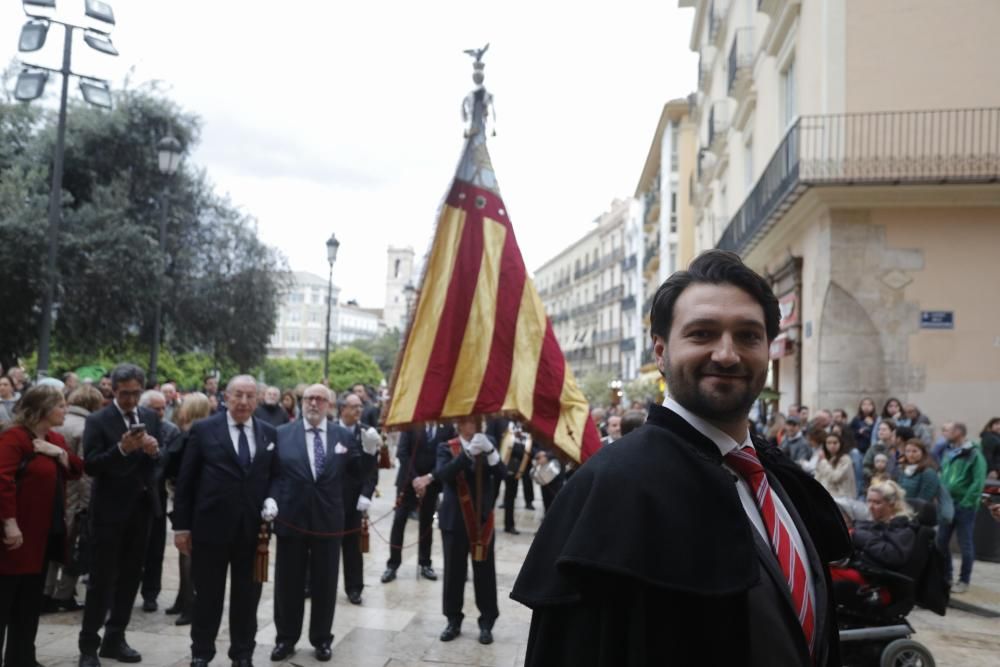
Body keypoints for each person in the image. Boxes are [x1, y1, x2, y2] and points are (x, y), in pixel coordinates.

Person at [511, 250, 850, 666]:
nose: (727, 354)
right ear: (660, 351)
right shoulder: (612, 487)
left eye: (748, 336)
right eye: (702, 334)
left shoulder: (774, 475)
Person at [173, 375, 281, 667]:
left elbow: (275, 476)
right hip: (210, 529)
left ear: (257, 399)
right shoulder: (204, 430)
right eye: (238, 395)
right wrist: (181, 527)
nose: (244, 402)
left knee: (247, 597)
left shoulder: (269, 433)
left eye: (250, 396)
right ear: (226, 397)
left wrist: (273, 498)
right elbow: (186, 481)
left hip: (253, 531)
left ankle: (243, 653)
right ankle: (201, 652)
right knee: (208, 595)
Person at [271, 384, 378, 662]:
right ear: (301, 402)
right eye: (309, 398)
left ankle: (321, 639)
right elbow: (272, 473)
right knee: (288, 584)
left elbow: (357, 473)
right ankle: (286, 638)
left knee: (325, 583)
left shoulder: (343, 435)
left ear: (330, 405)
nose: (314, 404)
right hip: (291, 520)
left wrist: (368, 453)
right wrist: (270, 499)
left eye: (320, 399)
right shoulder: (283, 434)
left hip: (329, 521)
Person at [78, 363, 163, 667]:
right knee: (101, 580)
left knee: (131, 577)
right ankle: (89, 645)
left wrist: (154, 452)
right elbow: (91, 465)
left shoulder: (150, 416)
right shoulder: (99, 420)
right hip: (109, 512)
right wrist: (122, 449)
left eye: (135, 393)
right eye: (124, 394)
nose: (130, 400)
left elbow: (159, 464)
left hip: (141, 510)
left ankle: (115, 638)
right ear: (113, 391)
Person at [0, 385, 83, 667]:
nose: (65, 410)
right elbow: (3, 481)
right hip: (15, 537)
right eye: (61, 405)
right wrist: (10, 524)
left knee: (29, 603)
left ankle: (22, 659)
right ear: (43, 409)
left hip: (41, 536)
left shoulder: (55, 437)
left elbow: (75, 468)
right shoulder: (14, 437)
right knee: (5, 601)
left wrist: (57, 453)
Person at [413, 415, 504, 645]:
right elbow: (444, 475)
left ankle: (487, 622)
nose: (471, 426)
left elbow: (503, 474)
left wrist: (491, 451)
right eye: (466, 422)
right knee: (454, 573)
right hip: (454, 520)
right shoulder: (447, 446)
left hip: (482, 520)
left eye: (474, 422)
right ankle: (453, 620)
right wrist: (467, 455)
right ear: (458, 425)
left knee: (484, 572)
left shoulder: (487, 442)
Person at [43, 385, 102, 613]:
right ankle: (64, 594)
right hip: (76, 496)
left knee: (53, 544)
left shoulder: (59, 424)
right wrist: (88, 504)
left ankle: (46, 591)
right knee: (74, 549)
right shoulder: (87, 427)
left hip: (57, 492)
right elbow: (87, 471)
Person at [382, 421, 455, 584]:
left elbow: (447, 455)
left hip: (432, 483)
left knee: (426, 524)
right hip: (408, 482)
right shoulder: (411, 425)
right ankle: (393, 564)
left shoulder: (447, 427)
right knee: (399, 521)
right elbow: (403, 453)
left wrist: (429, 478)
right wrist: (416, 479)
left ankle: (425, 563)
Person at [163, 393, 213, 627]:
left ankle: (189, 602)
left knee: (188, 552)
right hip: (189, 496)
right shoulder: (198, 432)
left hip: (191, 498)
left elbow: (172, 462)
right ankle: (183, 598)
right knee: (186, 552)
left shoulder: (192, 433)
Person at [830, 480, 918, 606]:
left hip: (877, 583)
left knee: (821, 575)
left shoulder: (903, 528)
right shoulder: (874, 523)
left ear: (892, 504)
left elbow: (892, 556)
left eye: (877, 502)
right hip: (859, 570)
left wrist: (858, 536)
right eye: (869, 501)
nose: (870, 506)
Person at [138, 390, 182, 613]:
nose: (160, 413)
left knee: (155, 547)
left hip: (156, 494)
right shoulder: (135, 425)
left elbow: (168, 462)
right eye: (156, 408)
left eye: (163, 407)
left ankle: (150, 593)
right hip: (134, 494)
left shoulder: (170, 430)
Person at [333, 393, 379, 605]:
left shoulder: (365, 433)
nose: (359, 411)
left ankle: (354, 588)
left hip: (354, 499)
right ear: (343, 409)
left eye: (360, 407)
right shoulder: (330, 431)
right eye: (354, 407)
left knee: (352, 547)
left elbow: (371, 469)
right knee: (324, 544)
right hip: (330, 498)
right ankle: (312, 584)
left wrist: (366, 495)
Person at [936, 422, 987, 594]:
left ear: (958, 432)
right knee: (941, 542)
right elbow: (943, 474)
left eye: (948, 430)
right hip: (947, 504)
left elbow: (978, 481)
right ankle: (946, 576)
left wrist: (966, 502)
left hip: (965, 506)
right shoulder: (949, 451)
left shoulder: (974, 454)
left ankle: (964, 581)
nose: (944, 433)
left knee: (965, 544)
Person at [815, 432, 857, 500]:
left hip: (842, 498)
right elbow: (818, 478)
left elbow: (835, 478)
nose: (832, 445)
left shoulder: (845, 459)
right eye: (829, 443)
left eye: (835, 443)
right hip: (826, 496)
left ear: (840, 444)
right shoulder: (825, 459)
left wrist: (824, 462)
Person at [895, 439, 939, 503]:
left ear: (922, 453)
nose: (910, 455)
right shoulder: (903, 470)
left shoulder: (928, 472)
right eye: (908, 451)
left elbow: (924, 499)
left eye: (914, 451)